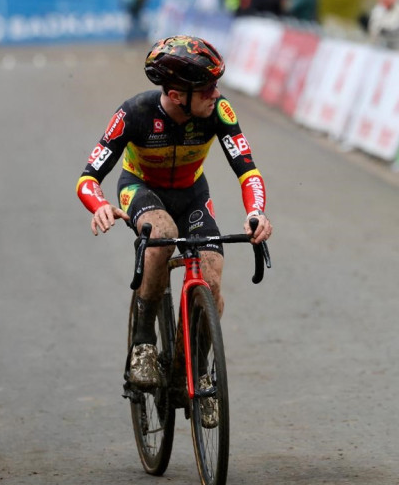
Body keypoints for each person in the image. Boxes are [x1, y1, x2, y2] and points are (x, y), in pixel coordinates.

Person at [76, 35, 273, 388]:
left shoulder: (219, 112)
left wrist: (256, 212)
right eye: (207, 88)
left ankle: (193, 369)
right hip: (141, 188)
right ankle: (143, 345)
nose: (216, 93)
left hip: (192, 194)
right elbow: (89, 178)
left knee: (211, 278)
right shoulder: (134, 112)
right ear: (177, 95)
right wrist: (100, 205)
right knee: (162, 235)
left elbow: (248, 170)